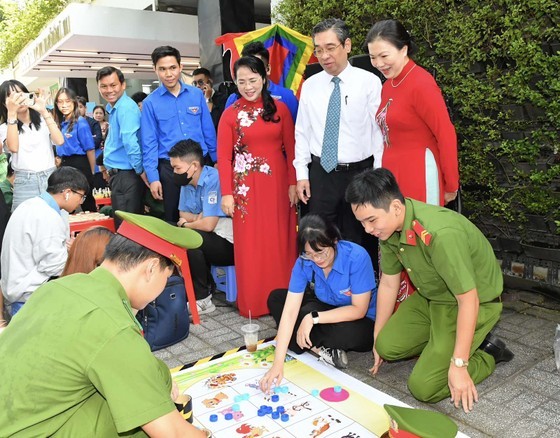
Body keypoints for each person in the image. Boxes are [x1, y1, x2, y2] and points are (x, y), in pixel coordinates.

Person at [0, 215, 208, 437]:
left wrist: (160, 379)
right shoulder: (112, 324)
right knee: (140, 420)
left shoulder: (58, 287)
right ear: (151, 269)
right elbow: (174, 433)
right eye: (166, 277)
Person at [345, 168, 514, 413]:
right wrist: (377, 339)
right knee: (386, 346)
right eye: (361, 222)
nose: (368, 230)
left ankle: (488, 354)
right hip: (432, 298)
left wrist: (458, 365)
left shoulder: (439, 234)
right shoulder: (389, 229)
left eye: (371, 220)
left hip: (472, 303)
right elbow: (389, 283)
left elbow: (469, 300)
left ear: (395, 207)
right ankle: (441, 347)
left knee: (424, 387)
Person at [218, 56, 298, 318]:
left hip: (278, 185)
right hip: (245, 190)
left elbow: (292, 150)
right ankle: (254, 301)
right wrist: (227, 193)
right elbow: (224, 157)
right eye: (241, 82)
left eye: (253, 80)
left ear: (264, 78)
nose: (248, 86)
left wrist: (293, 183)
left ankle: (284, 298)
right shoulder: (230, 115)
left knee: (280, 241)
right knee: (250, 245)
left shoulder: (280, 109)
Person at [260, 214, 376, 391]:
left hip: (360, 319)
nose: (317, 259)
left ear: (334, 241)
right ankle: (318, 349)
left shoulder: (356, 257)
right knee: (276, 299)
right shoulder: (304, 262)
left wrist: (312, 318)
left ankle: (305, 339)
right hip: (325, 307)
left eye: (321, 252)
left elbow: (358, 310)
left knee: (338, 333)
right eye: (309, 254)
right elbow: (290, 310)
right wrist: (278, 363)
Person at [293, 18, 383, 243]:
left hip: (360, 173)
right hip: (321, 174)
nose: (324, 56)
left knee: (360, 238)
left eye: (330, 48)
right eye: (319, 50)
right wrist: (302, 174)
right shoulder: (310, 85)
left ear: (347, 45)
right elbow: (302, 131)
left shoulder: (369, 82)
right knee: (320, 237)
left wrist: (378, 176)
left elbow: (379, 133)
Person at [366, 19, 459, 206]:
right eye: (372, 57)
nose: (378, 63)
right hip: (393, 175)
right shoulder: (388, 84)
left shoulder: (421, 83)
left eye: (384, 56)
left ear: (404, 49)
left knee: (420, 230)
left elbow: (445, 133)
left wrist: (451, 183)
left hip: (420, 173)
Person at [142, 46, 217, 223]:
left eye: (172, 67)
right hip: (170, 170)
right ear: (155, 70)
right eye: (162, 69)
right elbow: (149, 143)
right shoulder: (150, 103)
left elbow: (208, 131)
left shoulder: (196, 95)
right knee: (174, 219)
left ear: (180, 67)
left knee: (207, 213)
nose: (168, 74)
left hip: (200, 164)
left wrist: (217, 160)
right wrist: (153, 178)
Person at [0, 167, 88, 316]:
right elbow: (54, 266)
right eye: (81, 196)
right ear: (67, 193)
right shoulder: (48, 217)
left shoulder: (30, 205)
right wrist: (76, 253)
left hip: (16, 290)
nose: (80, 202)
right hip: (29, 299)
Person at [169, 139, 234, 315]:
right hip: (208, 236)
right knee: (171, 231)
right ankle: (200, 290)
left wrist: (191, 223)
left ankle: (203, 299)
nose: (174, 172)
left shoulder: (213, 179)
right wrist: (198, 219)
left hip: (229, 244)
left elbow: (208, 224)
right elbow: (182, 215)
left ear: (194, 165)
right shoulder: (186, 182)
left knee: (191, 239)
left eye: (177, 168)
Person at [0, 80, 64, 211]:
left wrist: (44, 111)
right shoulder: (5, 128)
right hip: (25, 181)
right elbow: (13, 147)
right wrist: (12, 114)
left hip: (50, 177)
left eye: (20, 93)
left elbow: (59, 141)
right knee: (22, 223)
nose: (19, 99)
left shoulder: (43, 119)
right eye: (12, 97)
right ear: (4, 103)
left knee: (54, 220)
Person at [96, 66, 147, 226]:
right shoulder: (115, 108)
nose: (109, 90)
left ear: (123, 85)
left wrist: (140, 170)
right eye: (104, 86)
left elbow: (130, 143)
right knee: (126, 227)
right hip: (121, 176)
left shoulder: (126, 108)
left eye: (113, 85)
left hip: (127, 176)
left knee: (127, 230)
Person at [224, 41, 299, 123]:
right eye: (248, 67)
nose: (252, 73)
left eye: (258, 67)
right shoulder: (233, 99)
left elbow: (297, 130)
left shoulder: (287, 97)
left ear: (268, 69)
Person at [53, 88, 97, 212]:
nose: (64, 105)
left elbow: (90, 149)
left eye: (67, 101)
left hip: (80, 164)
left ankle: (93, 227)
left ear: (74, 102)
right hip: (64, 164)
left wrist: (92, 172)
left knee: (85, 200)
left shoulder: (80, 122)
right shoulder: (61, 123)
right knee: (66, 202)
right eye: (60, 102)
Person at [77, 96, 106, 189]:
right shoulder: (71, 124)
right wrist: (89, 139)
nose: (78, 109)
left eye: (80, 107)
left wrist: (79, 143)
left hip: (94, 160)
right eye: (76, 107)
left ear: (85, 108)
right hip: (79, 162)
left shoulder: (93, 123)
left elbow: (97, 141)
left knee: (98, 188)